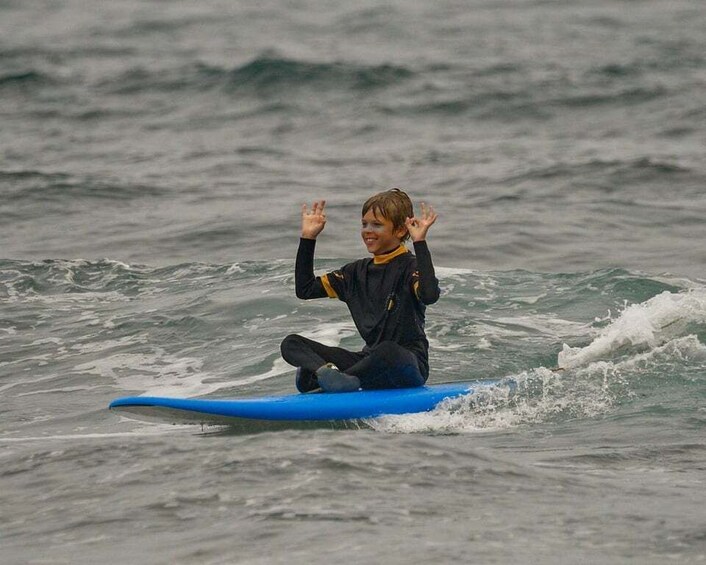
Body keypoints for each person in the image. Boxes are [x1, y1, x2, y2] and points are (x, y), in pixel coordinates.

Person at [280, 188, 440, 393]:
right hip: (368, 362)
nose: (367, 230)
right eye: (364, 224)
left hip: (406, 364)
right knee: (291, 343)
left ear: (400, 230)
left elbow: (429, 295)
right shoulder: (354, 273)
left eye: (377, 224)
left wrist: (419, 242)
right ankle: (330, 376)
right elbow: (305, 289)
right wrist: (308, 238)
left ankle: (339, 380)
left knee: (387, 350)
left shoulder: (411, 267)